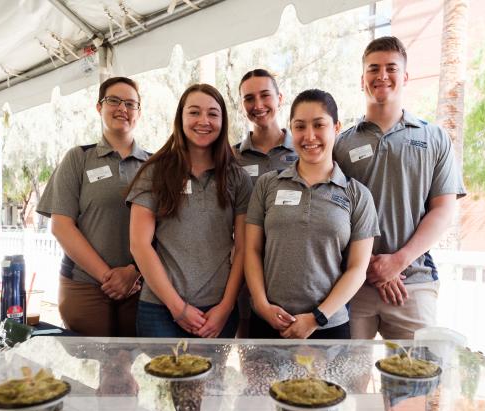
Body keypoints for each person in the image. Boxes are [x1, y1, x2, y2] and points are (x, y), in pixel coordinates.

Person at [333, 36, 467, 341]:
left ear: (405, 77)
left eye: (391, 68)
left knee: (413, 385)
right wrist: (369, 267)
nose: (382, 75)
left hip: (413, 284)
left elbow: (443, 210)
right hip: (353, 285)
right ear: (362, 79)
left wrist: (397, 262)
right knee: (347, 383)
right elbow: (332, 213)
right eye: (373, 69)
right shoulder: (341, 144)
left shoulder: (434, 138)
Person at [245, 89, 379, 340]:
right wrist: (263, 306)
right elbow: (251, 250)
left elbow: (357, 269)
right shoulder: (267, 185)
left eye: (319, 125)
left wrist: (317, 317)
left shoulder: (357, 195)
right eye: (300, 126)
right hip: (268, 322)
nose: (309, 136)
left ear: (336, 127)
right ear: (291, 129)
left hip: (328, 327)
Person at [127, 83, 252, 339]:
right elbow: (139, 245)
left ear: (223, 121)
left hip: (217, 310)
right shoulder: (154, 172)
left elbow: (243, 247)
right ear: (181, 118)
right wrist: (177, 308)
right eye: (194, 112)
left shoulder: (237, 177)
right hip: (160, 308)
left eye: (213, 114)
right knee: (163, 381)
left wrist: (227, 307)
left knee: (211, 380)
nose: (203, 121)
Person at [37, 76, 149, 336]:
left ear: (139, 113)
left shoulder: (155, 164)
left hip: (139, 286)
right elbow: (61, 226)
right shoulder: (78, 158)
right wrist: (108, 278)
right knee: (89, 367)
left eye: (130, 104)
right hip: (84, 286)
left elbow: (165, 230)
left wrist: (133, 272)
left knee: (129, 367)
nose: (122, 108)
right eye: (114, 101)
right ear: (99, 107)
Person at [234, 68, 298, 337]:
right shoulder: (231, 157)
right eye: (249, 99)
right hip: (247, 273)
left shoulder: (305, 151)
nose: (258, 105)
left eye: (265, 96)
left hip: (293, 269)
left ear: (280, 98)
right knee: (254, 361)